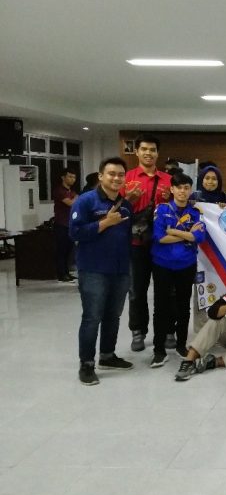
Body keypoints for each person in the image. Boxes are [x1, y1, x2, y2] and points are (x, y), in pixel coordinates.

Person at [69, 157, 134, 385]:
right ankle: (86, 364)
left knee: (113, 316)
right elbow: (75, 233)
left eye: (120, 175)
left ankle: (107, 355)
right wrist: (105, 222)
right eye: (111, 174)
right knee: (92, 317)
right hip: (93, 269)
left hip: (120, 269)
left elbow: (127, 236)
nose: (116, 178)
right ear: (100, 176)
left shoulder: (126, 205)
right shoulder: (85, 201)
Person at [149, 173, 206, 368]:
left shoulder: (196, 212)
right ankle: (159, 350)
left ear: (190, 190)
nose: (182, 191)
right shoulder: (162, 209)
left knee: (183, 306)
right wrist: (188, 234)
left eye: (186, 188)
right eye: (179, 187)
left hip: (186, 264)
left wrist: (173, 231)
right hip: (162, 264)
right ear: (172, 189)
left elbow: (200, 238)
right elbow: (159, 238)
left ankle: (181, 345)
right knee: (161, 307)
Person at [122, 134, 172, 353]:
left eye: (152, 150)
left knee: (166, 290)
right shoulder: (127, 178)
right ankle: (138, 331)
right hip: (136, 244)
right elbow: (116, 211)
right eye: (144, 149)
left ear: (158, 153)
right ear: (137, 152)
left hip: (163, 243)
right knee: (136, 290)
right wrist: (129, 200)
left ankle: (167, 330)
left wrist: (171, 200)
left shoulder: (168, 180)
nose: (148, 153)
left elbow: (178, 208)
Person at [53, 167, 78, 283]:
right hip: (61, 224)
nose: (72, 179)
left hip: (71, 225)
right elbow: (71, 203)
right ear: (63, 177)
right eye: (70, 176)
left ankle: (67, 272)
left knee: (69, 250)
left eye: (74, 177)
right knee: (61, 250)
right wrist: (76, 198)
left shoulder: (71, 192)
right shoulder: (59, 191)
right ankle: (61, 274)